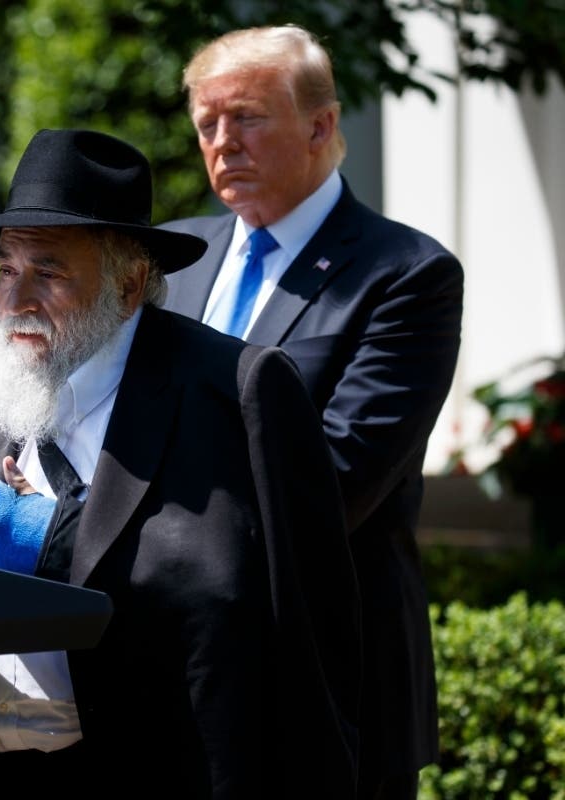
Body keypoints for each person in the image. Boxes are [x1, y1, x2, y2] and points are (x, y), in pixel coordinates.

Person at [0, 128, 361, 798]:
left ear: (130, 283)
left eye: (48, 273)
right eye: (7, 269)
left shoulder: (237, 390)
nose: (15, 300)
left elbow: (281, 611)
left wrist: (49, 538)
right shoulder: (3, 387)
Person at [158, 25, 465, 800]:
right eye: (206, 124)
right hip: (176, 676)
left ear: (321, 126)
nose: (223, 143)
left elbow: (338, 477)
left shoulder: (405, 273)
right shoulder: (169, 260)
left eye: (247, 117)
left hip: (330, 682)